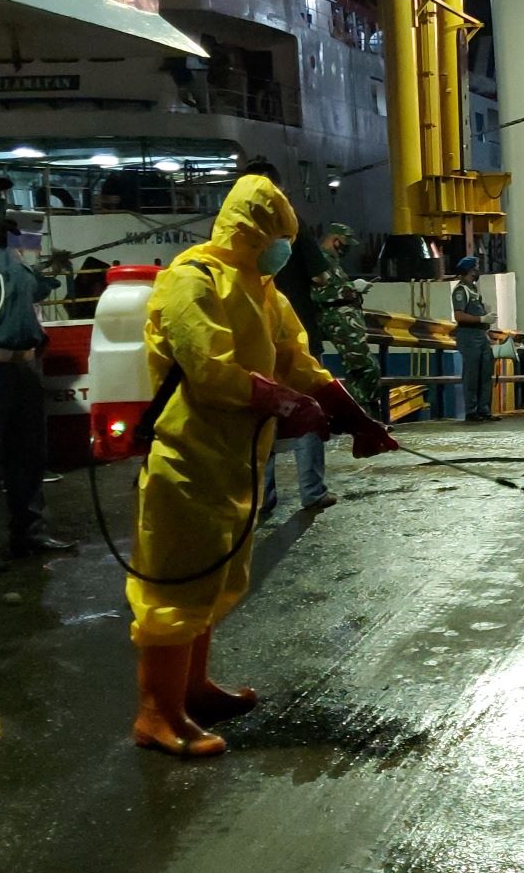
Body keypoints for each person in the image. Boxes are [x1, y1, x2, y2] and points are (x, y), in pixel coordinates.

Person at [127, 175, 394, 757]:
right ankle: (156, 713)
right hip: (189, 460)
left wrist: (356, 417)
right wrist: (286, 404)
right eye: (276, 236)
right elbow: (210, 369)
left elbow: (298, 359)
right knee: (176, 587)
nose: (283, 248)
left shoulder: (263, 288)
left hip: (236, 462)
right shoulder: (191, 279)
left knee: (212, 581)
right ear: (251, 231)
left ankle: (193, 690)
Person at [0, 184, 74, 571]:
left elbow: (25, 293)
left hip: (24, 368)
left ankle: (30, 532)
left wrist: (49, 273)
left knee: (29, 458)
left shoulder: (12, 249)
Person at [261, 221, 340, 518]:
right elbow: (320, 277)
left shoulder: (233, 238)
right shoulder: (293, 225)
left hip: (256, 343)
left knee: (262, 415)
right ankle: (313, 491)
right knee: (309, 412)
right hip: (298, 337)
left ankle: (261, 497)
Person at [313, 223, 380, 413]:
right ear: (336, 240)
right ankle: (362, 413)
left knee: (360, 370)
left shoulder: (332, 262)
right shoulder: (320, 261)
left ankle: (363, 414)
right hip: (337, 323)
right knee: (366, 367)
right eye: (345, 244)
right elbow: (321, 293)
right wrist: (352, 287)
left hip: (347, 323)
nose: (347, 250)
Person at [452, 254, 498, 422]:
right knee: (472, 374)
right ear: (469, 270)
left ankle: (484, 409)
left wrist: (486, 322)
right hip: (468, 335)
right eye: (476, 268)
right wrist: (481, 319)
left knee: (485, 373)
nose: (478, 270)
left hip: (480, 335)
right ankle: (471, 411)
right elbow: (458, 315)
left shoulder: (473, 290)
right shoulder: (461, 290)